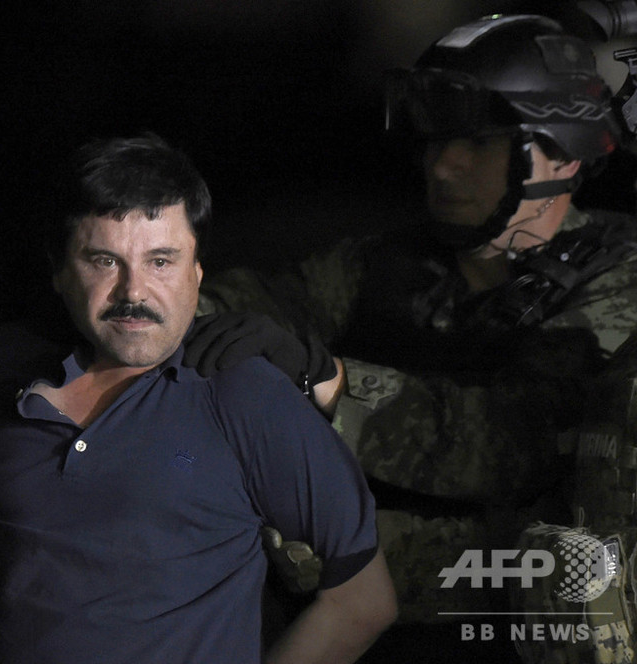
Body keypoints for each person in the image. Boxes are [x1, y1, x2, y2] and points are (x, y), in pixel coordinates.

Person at [192, 12, 637, 636]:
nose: (442, 166)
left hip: (519, 602)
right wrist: (158, 313)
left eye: (477, 143)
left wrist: (328, 381)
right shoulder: (397, 262)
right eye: (434, 140)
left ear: (561, 155)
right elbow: (265, 301)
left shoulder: (617, 281)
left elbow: (514, 447)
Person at [0, 133, 396, 663]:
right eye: (104, 261)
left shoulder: (245, 395)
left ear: (197, 270)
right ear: (61, 271)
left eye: (161, 261)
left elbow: (362, 602)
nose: (133, 291)